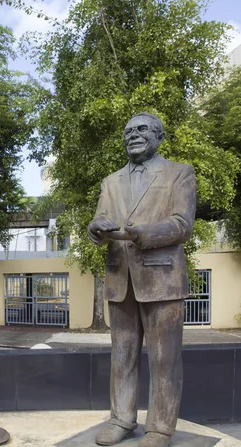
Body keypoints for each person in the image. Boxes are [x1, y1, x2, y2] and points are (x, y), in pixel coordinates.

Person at [88, 113, 196, 447]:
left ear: (160, 136)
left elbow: (182, 224)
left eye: (142, 129)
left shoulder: (179, 172)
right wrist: (96, 229)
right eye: (128, 131)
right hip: (121, 277)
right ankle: (121, 420)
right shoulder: (111, 181)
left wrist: (143, 234)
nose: (133, 135)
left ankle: (161, 427)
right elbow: (99, 220)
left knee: (164, 358)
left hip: (162, 275)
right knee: (122, 355)